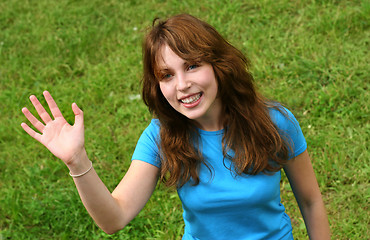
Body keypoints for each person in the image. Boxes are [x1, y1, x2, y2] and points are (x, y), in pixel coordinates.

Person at [21, 14, 330, 240]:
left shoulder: (275, 122)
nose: (182, 85)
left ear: (219, 65)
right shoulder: (160, 137)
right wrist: (78, 161)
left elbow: (311, 200)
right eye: (167, 75)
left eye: (192, 65)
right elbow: (114, 218)